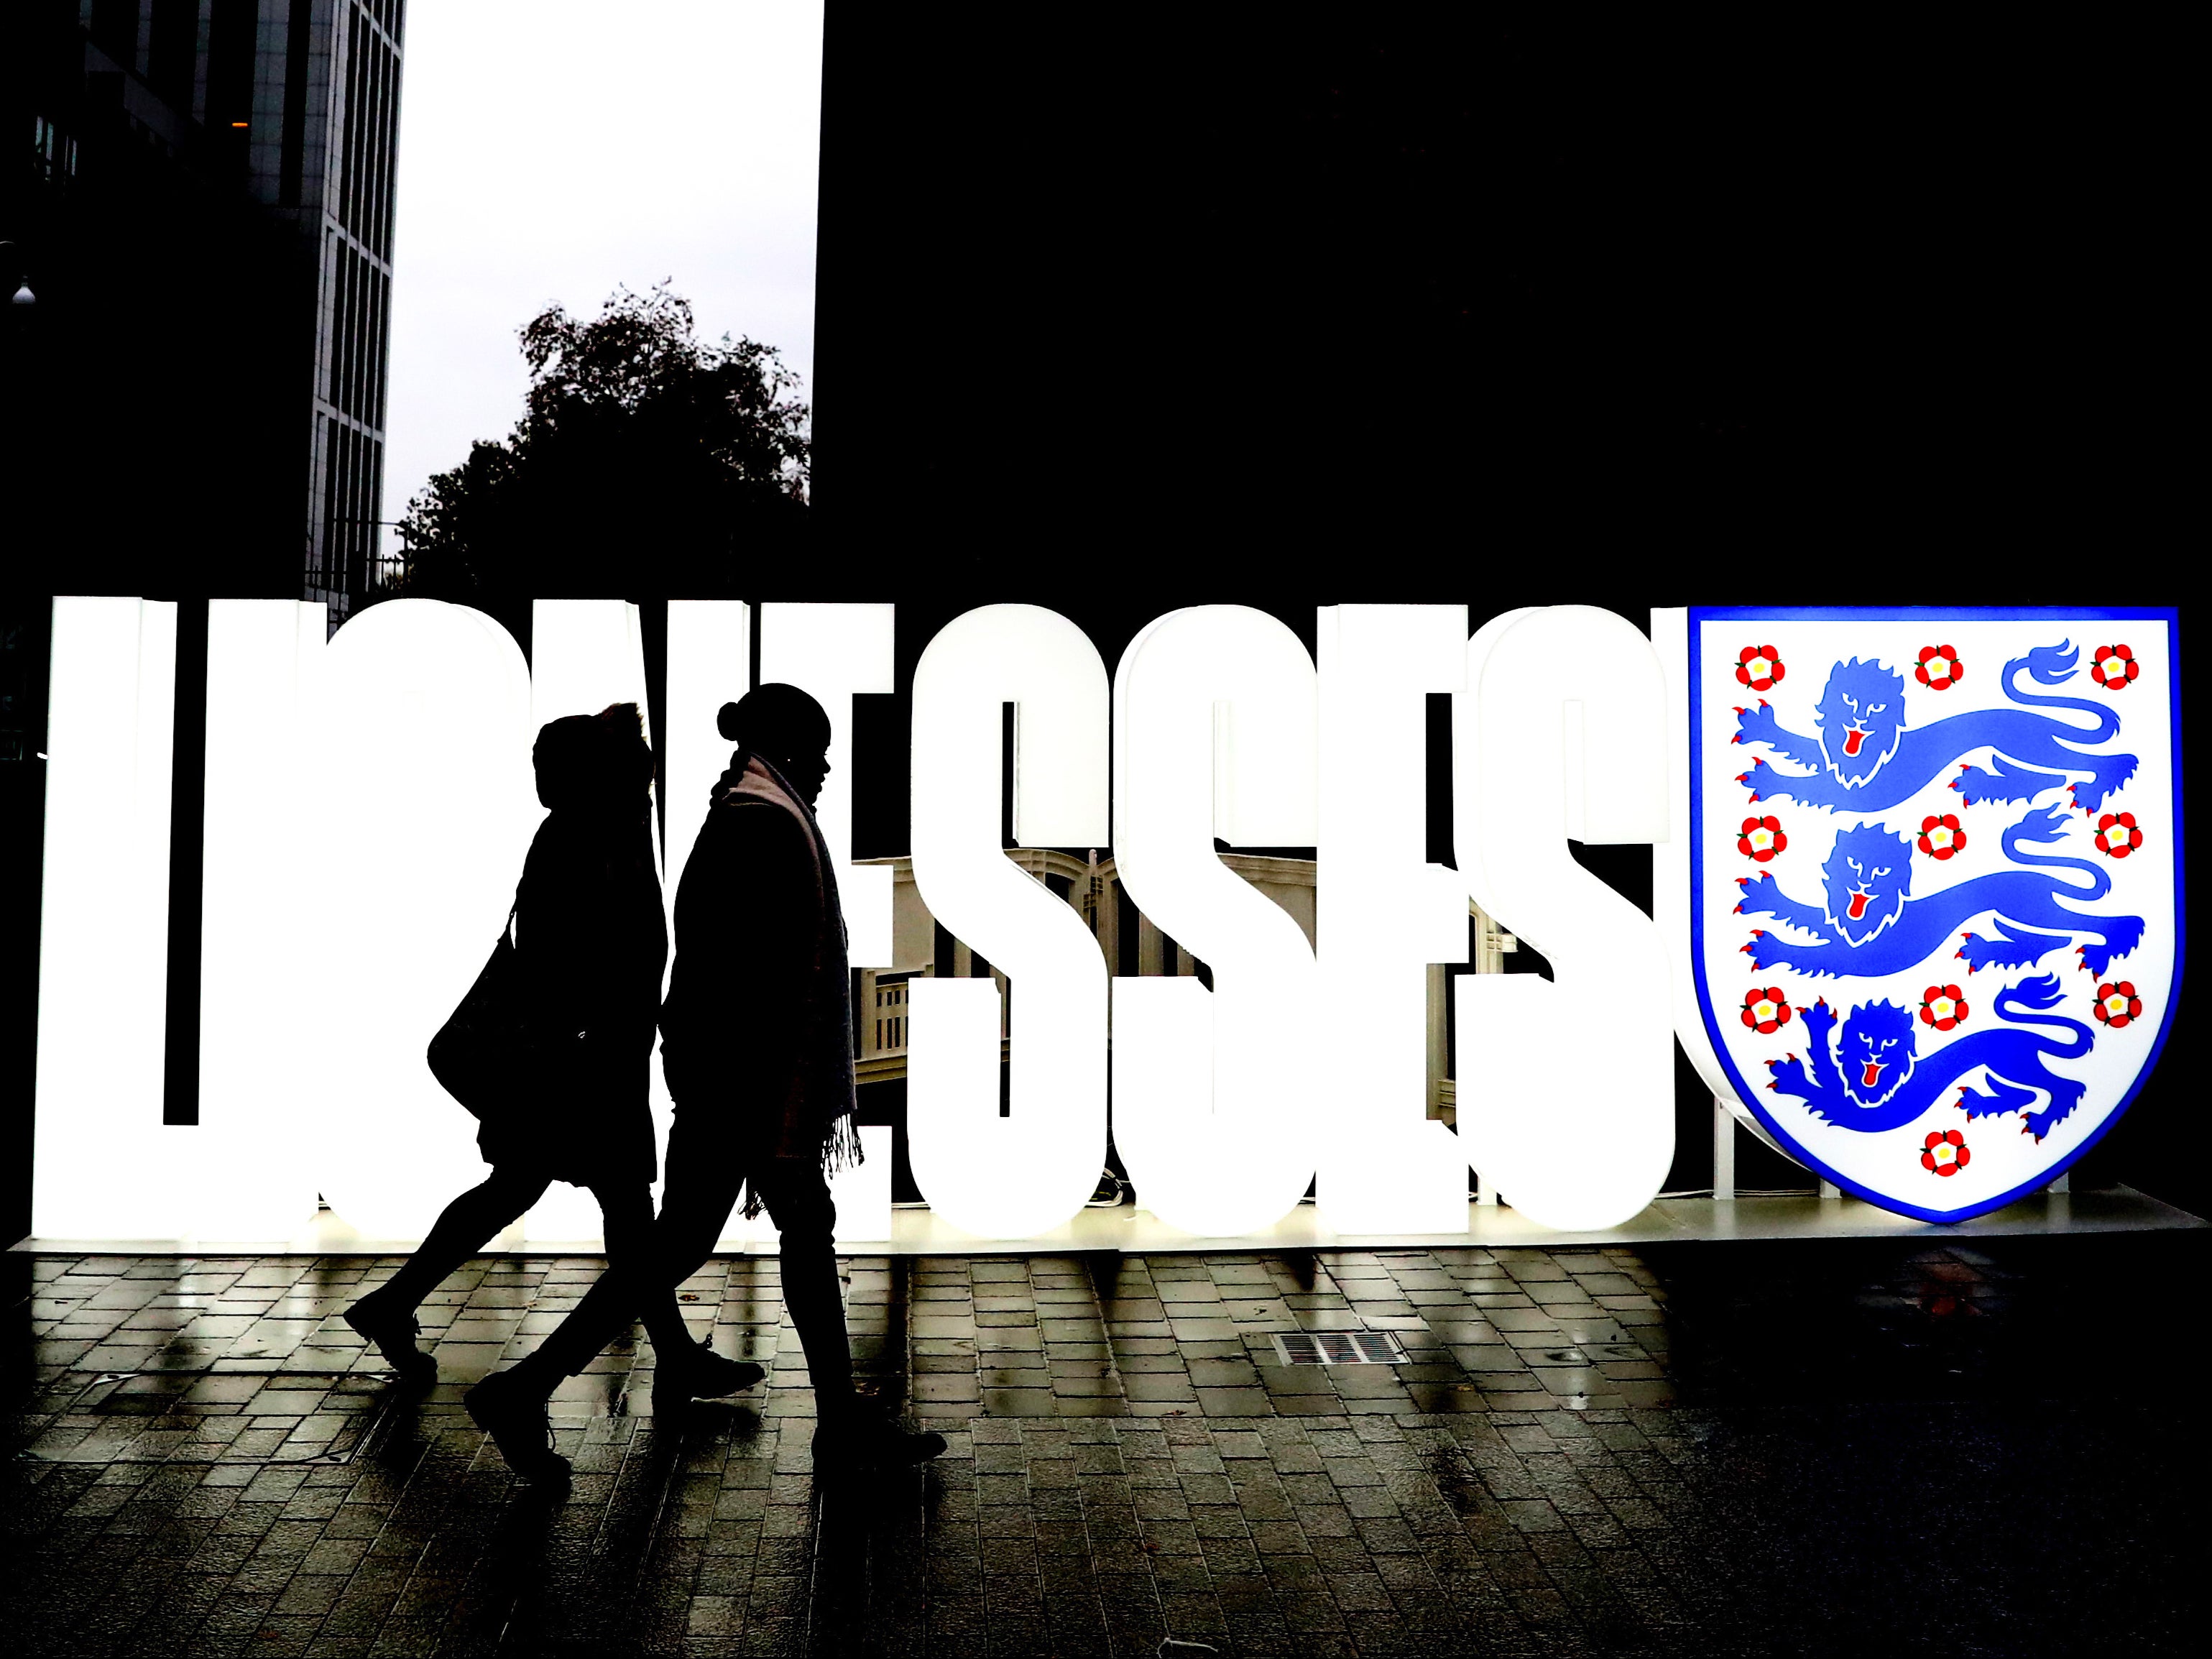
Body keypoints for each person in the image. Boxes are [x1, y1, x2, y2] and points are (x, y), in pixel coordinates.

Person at [493, 683, 946, 1472]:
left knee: (705, 1243)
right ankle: (525, 1388)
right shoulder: (764, 825)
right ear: (791, 750)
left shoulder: (744, 810)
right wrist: (778, 1110)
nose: (829, 765)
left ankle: (529, 1388)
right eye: (819, 748)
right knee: (712, 1244)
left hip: (731, 1078)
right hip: (747, 1085)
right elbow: (751, 978)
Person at [343, 703, 760, 1484]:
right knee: (623, 1208)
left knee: (539, 1189)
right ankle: (637, 1364)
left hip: (589, 1059)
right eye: (633, 760)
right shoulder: (585, 837)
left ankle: (396, 1304)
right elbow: (577, 959)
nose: (648, 770)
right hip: (583, 1064)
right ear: (607, 772)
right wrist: (598, 1035)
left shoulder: (595, 829)